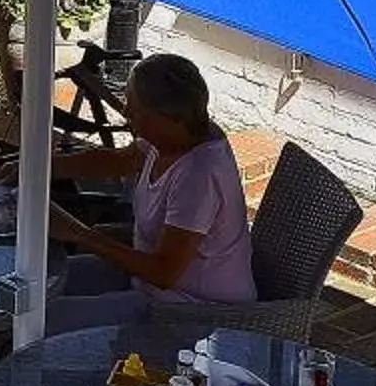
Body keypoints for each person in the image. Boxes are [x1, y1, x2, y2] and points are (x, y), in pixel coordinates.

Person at [25, 51, 258, 332]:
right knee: (32, 285)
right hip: (143, 278)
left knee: (37, 319)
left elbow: (164, 273)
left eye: (135, 110)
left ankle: (47, 371)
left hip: (190, 310)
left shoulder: (199, 174)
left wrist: (78, 233)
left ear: (169, 117)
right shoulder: (171, 137)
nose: (125, 114)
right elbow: (119, 161)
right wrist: (35, 166)